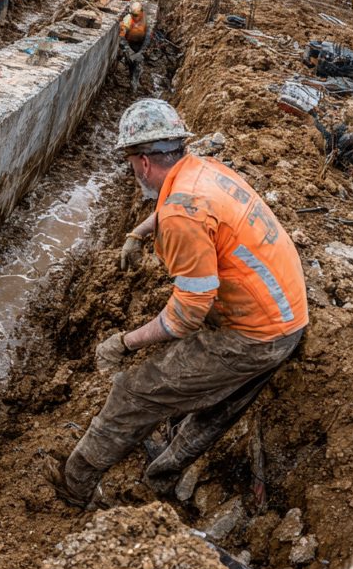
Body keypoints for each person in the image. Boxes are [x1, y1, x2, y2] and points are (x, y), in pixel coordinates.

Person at [46, 98, 307, 509]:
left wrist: (125, 342)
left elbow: (187, 315)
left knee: (134, 393)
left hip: (255, 335)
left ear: (144, 163)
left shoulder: (184, 214)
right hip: (285, 317)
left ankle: (74, 486)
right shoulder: (202, 171)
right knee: (216, 406)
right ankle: (161, 480)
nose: (133, 171)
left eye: (131, 162)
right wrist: (140, 232)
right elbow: (178, 206)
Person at [118, 0, 149, 91]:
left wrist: (143, 49)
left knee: (137, 63)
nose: (135, 17)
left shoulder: (144, 18)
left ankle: (134, 81)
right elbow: (122, 37)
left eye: (137, 15)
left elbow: (147, 34)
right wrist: (127, 49)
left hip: (139, 44)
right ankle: (133, 82)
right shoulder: (128, 20)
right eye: (133, 15)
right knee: (133, 63)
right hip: (129, 44)